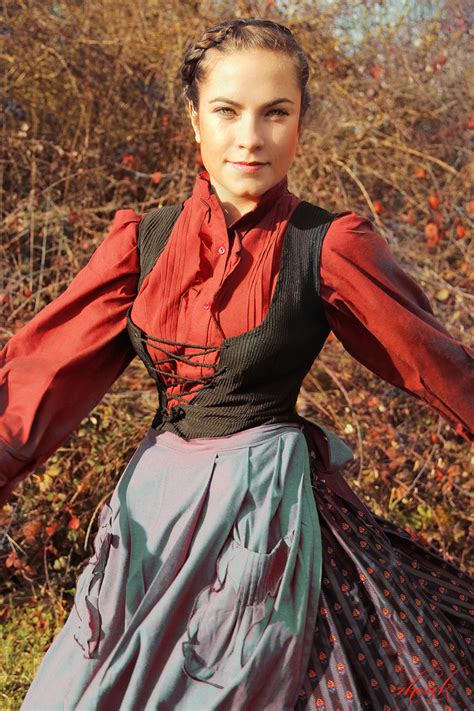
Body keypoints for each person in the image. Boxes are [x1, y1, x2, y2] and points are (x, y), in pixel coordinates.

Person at [1, 17, 472, 711]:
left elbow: (441, 368)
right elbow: (39, 378)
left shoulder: (329, 245)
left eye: (275, 113)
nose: (250, 137)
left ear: (301, 123)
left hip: (263, 521)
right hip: (151, 521)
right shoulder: (143, 241)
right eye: (226, 111)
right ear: (195, 120)